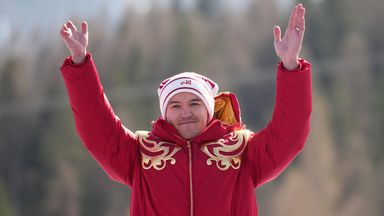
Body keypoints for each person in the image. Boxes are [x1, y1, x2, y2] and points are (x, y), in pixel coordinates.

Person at [59, 4, 311, 216]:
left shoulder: (242, 152)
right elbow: (97, 127)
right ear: (164, 113)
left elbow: (289, 134)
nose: (185, 112)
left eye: (194, 103)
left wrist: (290, 65)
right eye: (175, 106)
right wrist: (80, 63)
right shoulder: (139, 154)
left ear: (210, 109)